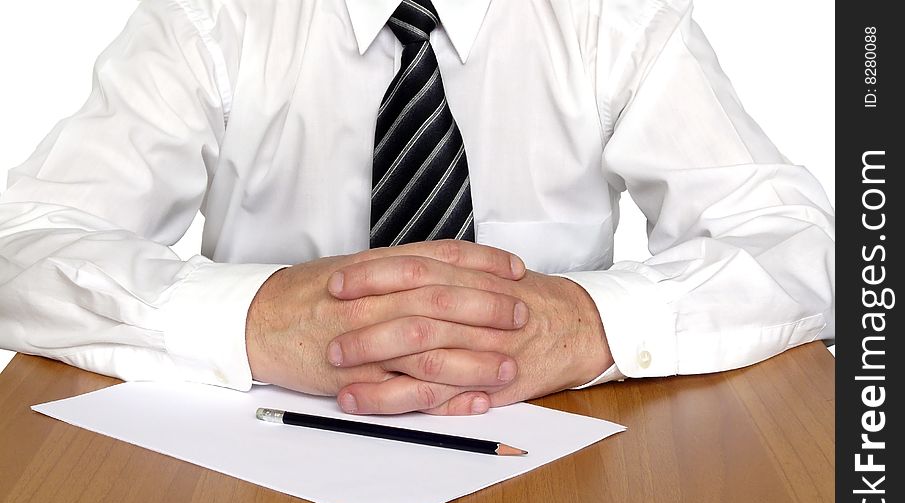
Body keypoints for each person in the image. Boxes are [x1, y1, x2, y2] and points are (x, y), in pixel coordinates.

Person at [0, 0, 835, 416]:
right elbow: (23, 247)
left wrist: (590, 321)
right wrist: (252, 319)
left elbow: (804, 244)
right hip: (253, 456)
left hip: (551, 448)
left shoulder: (614, 17)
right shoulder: (212, 18)